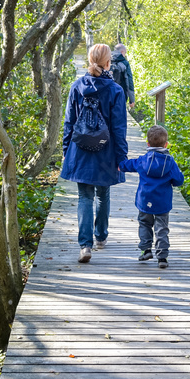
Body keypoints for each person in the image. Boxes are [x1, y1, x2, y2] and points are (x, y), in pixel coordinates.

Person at [60, 44, 129, 264]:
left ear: (90, 60)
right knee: (103, 194)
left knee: (84, 197)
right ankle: (100, 238)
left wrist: (66, 150)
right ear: (109, 62)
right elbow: (119, 127)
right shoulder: (116, 90)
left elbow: (69, 122)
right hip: (106, 150)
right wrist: (121, 156)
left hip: (80, 150)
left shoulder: (77, 86)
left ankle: (85, 246)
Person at [119, 125, 184, 269]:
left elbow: (127, 165)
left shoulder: (142, 160)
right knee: (162, 228)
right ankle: (162, 257)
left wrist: (119, 164)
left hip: (144, 200)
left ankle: (146, 250)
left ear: (148, 144)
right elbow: (179, 180)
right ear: (166, 144)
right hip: (162, 202)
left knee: (144, 223)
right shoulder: (170, 162)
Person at [110, 43, 135, 109]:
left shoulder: (107, 60)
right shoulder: (125, 63)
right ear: (122, 52)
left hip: (108, 94)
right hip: (121, 94)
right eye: (125, 53)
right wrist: (132, 99)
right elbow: (129, 81)